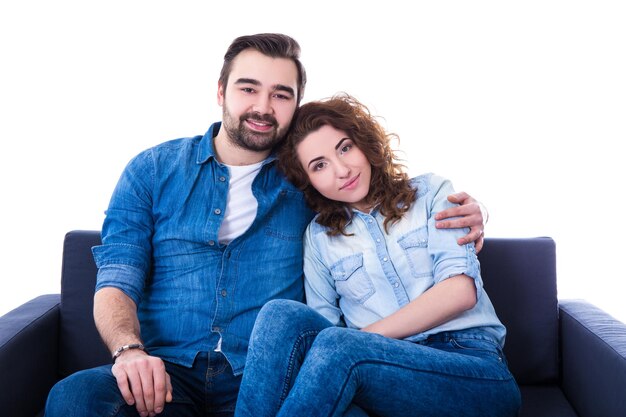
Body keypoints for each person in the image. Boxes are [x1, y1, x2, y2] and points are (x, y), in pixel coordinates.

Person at [44, 34, 487, 417]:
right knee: (75, 396)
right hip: (164, 371)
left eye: (281, 94)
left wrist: (470, 214)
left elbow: (379, 199)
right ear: (220, 91)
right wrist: (129, 351)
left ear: (295, 104)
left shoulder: (309, 181)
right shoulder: (153, 170)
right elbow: (116, 277)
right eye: (248, 88)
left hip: (259, 374)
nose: (263, 106)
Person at [234, 94, 521, 417]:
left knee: (337, 347)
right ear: (309, 181)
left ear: (364, 142)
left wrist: (357, 343)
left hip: (470, 367)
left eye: (345, 148)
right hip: (378, 382)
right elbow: (320, 333)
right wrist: (347, 350)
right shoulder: (319, 238)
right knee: (280, 315)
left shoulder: (431, 194)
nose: (342, 170)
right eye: (320, 165)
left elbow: (460, 291)